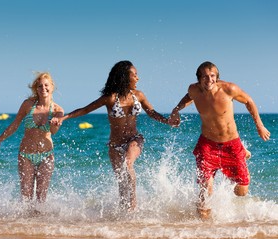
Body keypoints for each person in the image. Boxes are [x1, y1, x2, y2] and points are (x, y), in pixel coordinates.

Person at [51, 60, 173, 211]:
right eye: (134, 75)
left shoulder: (139, 95)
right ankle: (123, 216)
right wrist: (63, 118)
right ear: (124, 77)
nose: (137, 78)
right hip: (115, 144)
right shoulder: (110, 98)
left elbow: (152, 113)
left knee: (128, 163)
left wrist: (168, 121)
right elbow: (85, 110)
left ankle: (133, 206)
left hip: (134, 139)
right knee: (121, 182)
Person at [169, 61, 271, 220]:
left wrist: (260, 126)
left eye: (212, 76)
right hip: (207, 145)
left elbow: (249, 101)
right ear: (198, 79)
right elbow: (190, 97)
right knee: (205, 191)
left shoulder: (229, 89)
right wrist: (176, 110)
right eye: (204, 77)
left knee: (241, 192)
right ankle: (202, 228)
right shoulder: (194, 89)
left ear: (217, 77)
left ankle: (243, 153)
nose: (209, 80)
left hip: (231, 144)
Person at [0, 72, 64, 203]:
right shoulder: (28, 105)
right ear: (36, 88)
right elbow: (15, 124)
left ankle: (39, 223)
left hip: (46, 156)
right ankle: (25, 224)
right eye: (40, 86)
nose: (43, 88)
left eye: (46, 85)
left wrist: (55, 124)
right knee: (26, 197)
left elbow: (53, 131)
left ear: (52, 87)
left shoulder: (58, 110)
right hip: (26, 155)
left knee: (41, 198)